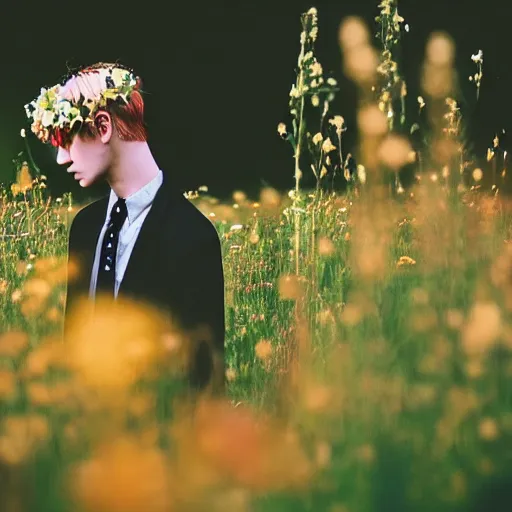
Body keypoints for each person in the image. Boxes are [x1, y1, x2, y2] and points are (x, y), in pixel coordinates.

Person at [24, 62, 225, 393]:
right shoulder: (85, 228)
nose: (61, 159)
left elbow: (205, 380)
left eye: (65, 137)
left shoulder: (193, 237)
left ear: (103, 127)